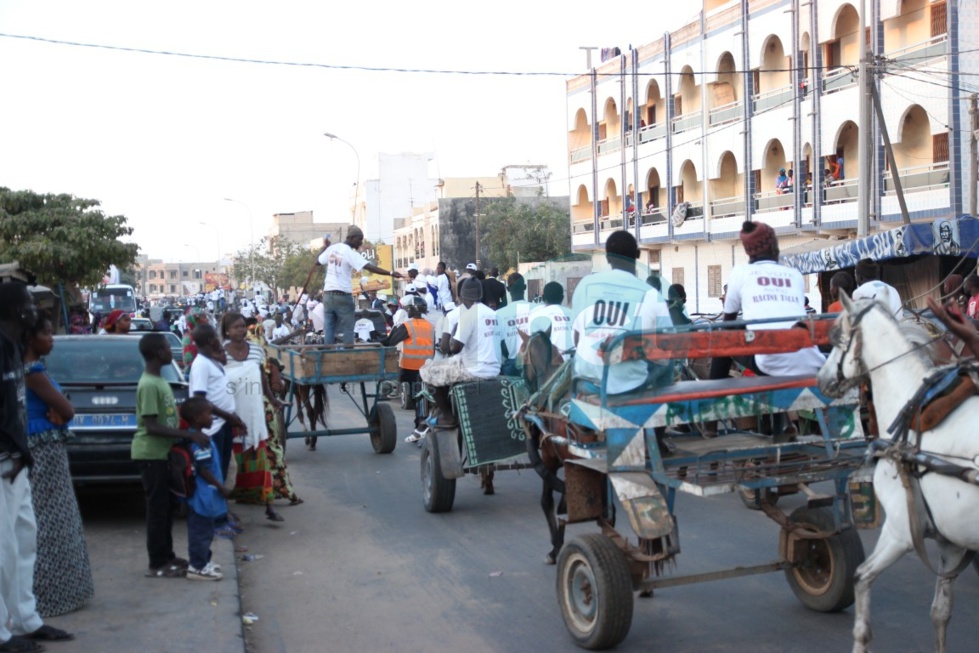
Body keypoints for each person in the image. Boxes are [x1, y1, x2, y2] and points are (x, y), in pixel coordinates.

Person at [0, 282, 75, 652]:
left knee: (23, 541)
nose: (34, 308)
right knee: (1, 549)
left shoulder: (14, 350)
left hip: (17, 464)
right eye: (29, 304)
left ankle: (26, 619)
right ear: (16, 311)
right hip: (2, 464)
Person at [704, 221, 826, 437]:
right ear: (775, 248)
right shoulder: (795, 275)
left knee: (724, 339)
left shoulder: (740, 273)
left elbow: (728, 322)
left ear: (748, 252)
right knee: (775, 343)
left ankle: (711, 421)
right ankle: (786, 421)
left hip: (769, 362)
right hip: (810, 360)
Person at [23, 313, 94, 617]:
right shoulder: (32, 372)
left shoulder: (28, 370)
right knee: (52, 524)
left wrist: (60, 409)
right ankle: (51, 596)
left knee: (47, 521)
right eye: (47, 333)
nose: (51, 338)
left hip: (42, 446)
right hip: (43, 451)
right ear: (30, 338)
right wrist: (62, 410)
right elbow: (67, 409)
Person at [133, 333, 210, 578]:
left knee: (166, 508)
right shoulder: (148, 384)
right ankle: (157, 562)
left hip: (163, 453)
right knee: (157, 509)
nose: (170, 351)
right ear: (158, 353)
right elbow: (152, 426)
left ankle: (167, 555)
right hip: (150, 453)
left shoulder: (160, 380)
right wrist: (188, 436)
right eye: (167, 348)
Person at [571, 231, 674, 396]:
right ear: (638, 255)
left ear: (607, 258)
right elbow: (668, 346)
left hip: (588, 383)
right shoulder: (651, 294)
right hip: (631, 386)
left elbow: (575, 338)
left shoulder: (585, 285)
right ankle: (663, 409)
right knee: (667, 362)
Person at [220, 313, 283, 522]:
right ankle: (225, 506)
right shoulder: (221, 353)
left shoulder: (256, 350)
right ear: (227, 331)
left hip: (254, 410)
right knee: (230, 464)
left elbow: (262, 377)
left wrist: (272, 399)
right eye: (235, 327)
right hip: (232, 412)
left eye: (242, 327)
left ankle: (269, 506)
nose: (240, 330)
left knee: (261, 462)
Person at [187, 324, 247, 538]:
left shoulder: (212, 361)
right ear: (208, 341)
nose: (217, 339)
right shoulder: (201, 365)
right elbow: (200, 400)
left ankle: (221, 517)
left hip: (222, 425)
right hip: (212, 428)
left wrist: (233, 418)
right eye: (214, 336)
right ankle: (215, 522)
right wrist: (227, 416)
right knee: (213, 477)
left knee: (222, 472)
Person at [419, 279, 500, 429]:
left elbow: (454, 348)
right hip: (494, 368)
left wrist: (454, 333)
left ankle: (447, 416)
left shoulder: (468, 316)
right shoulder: (493, 314)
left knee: (427, 372)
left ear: (462, 297)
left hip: (474, 370)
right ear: (480, 295)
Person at [315, 225, 402, 348]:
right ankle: (348, 353)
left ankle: (328, 353)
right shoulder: (349, 253)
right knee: (348, 326)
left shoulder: (332, 249)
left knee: (329, 326)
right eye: (359, 239)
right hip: (342, 296)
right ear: (351, 238)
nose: (361, 242)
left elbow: (317, 261)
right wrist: (391, 273)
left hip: (328, 296)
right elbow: (370, 267)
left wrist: (325, 248)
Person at [178, 397, 228, 581]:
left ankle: (203, 562)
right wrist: (221, 487)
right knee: (201, 532)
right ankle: (197, 567)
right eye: (209, 414)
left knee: (204, 530)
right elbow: (204, 470)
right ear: (198, 418)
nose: (212, 417)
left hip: (203, 494)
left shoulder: (197, 436)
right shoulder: (200, 441)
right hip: (203, 494)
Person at [382, 296, 436, 444]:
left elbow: (391, 341)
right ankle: (419, 426)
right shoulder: (430, 326)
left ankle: (421, 426)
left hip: (410, 368)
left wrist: (378, 341)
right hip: (427, 368)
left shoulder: (408, 325)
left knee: (416, 399)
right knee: (422, 398)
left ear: (411, 310)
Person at [495, 273, 533, 376]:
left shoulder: (499, 314)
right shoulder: (538, 308)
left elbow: (501, 346)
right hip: (534, 364)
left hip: (513, 365)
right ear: (525, 287)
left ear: (507, 289)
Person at [528, 281, 574, 353]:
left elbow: (534, 348)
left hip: (551, 362)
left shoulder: (536, 316)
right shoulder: (574, 314)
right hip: (575, 361)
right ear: (562, 298)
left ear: (543, 298)